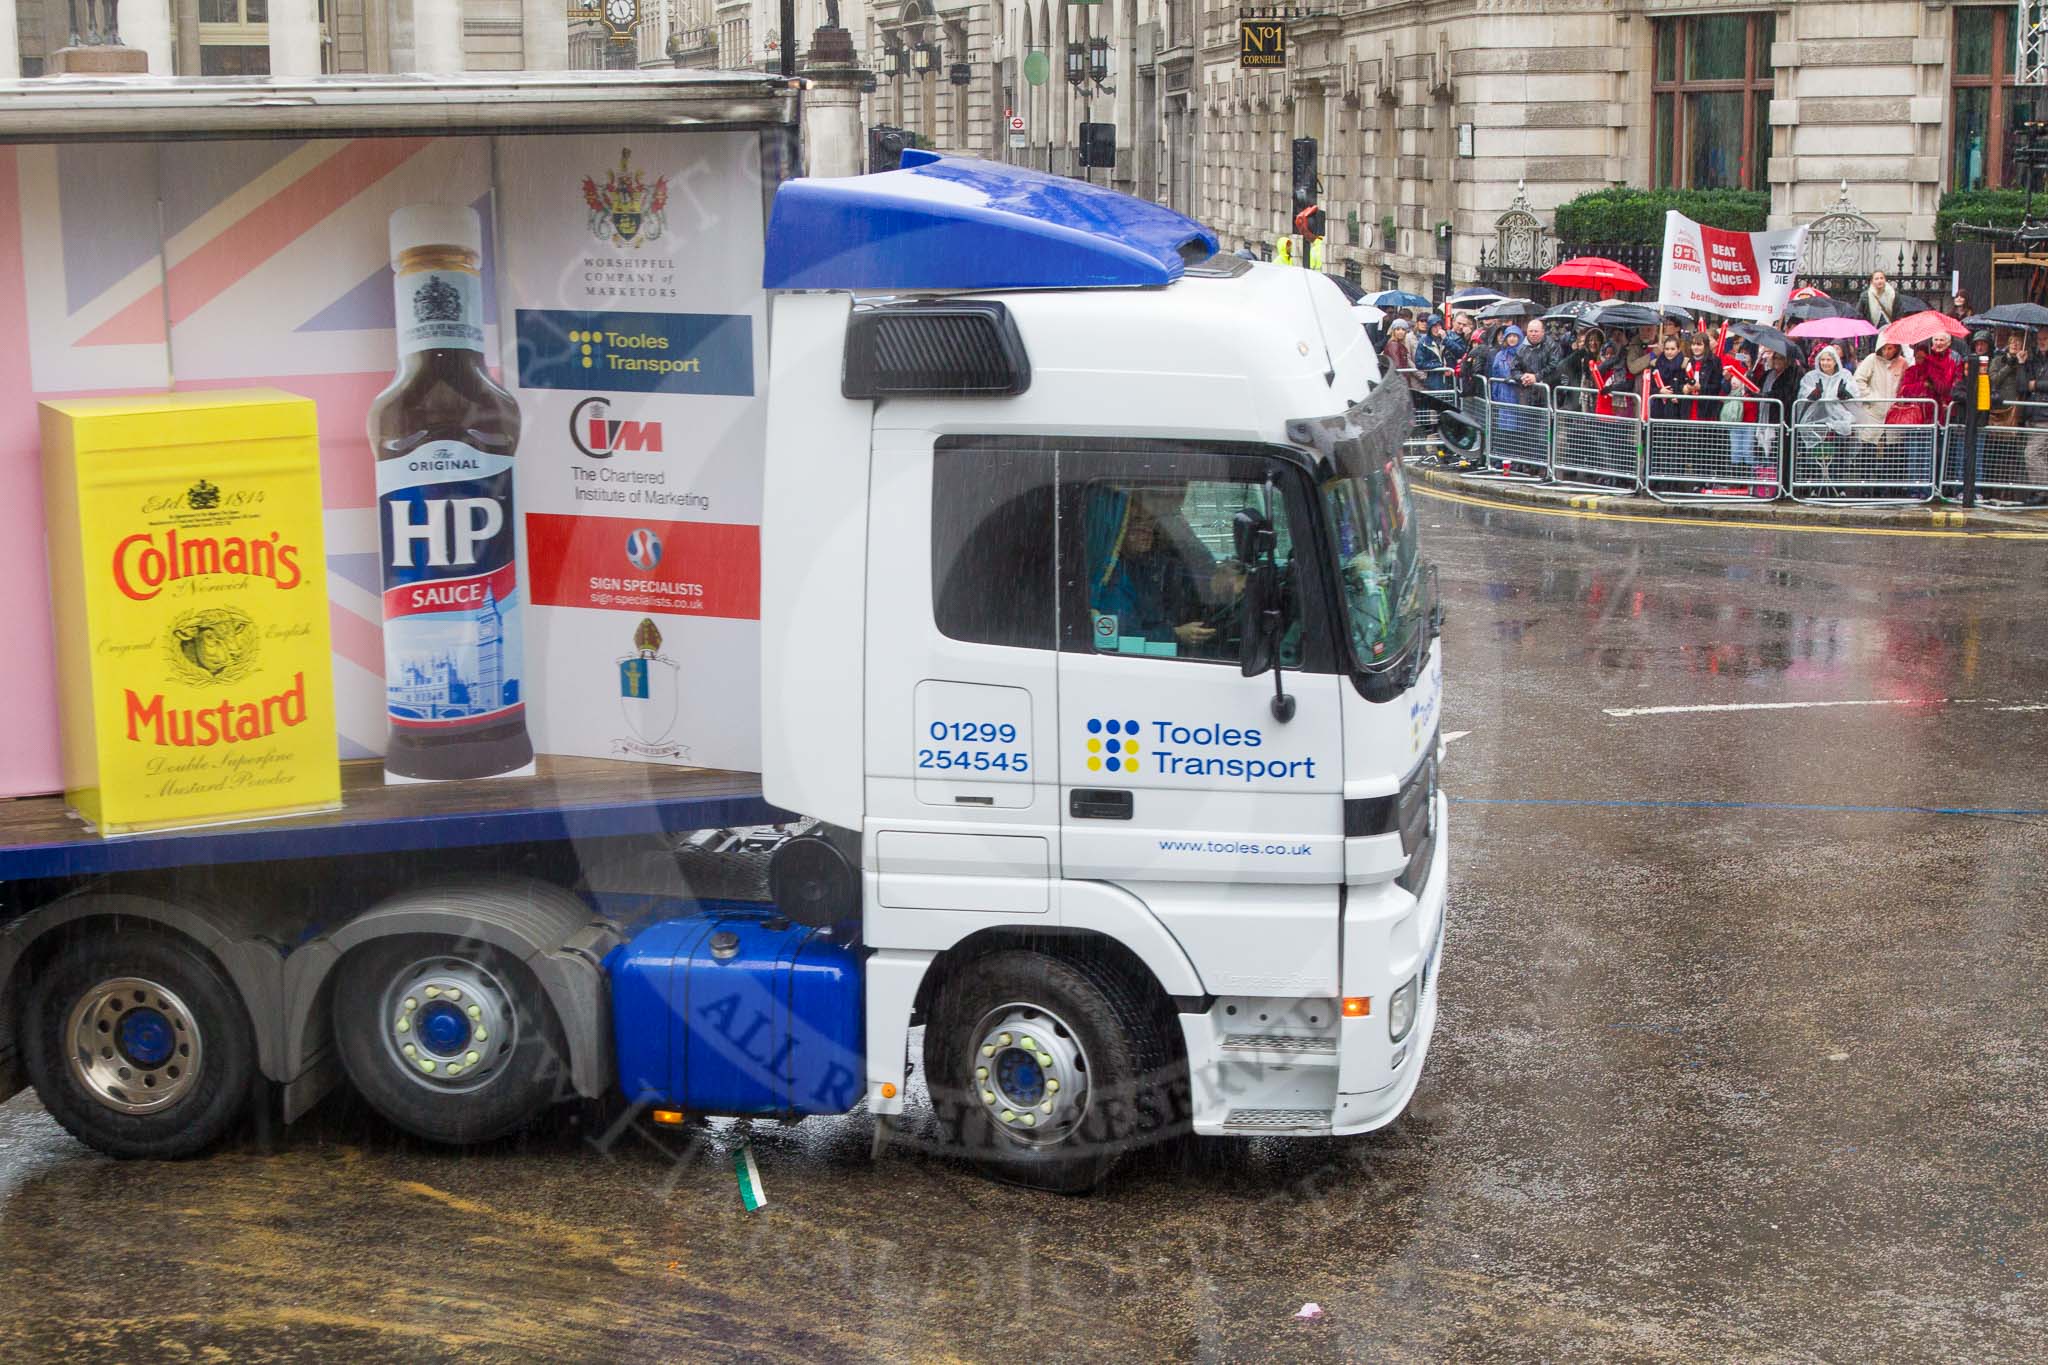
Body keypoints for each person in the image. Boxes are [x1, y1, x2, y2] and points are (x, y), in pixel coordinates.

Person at [1086, 488, 1230, 655]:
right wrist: (1175, 634)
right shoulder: (1110, 576)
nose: (1147, 529)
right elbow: (1122, 638)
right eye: (1137, 521)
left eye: (1150, 521)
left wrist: (1218, 582)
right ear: (1119, 527)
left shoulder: (1146, 564)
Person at [1681, 330, 1725, 422]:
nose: (1695, 347)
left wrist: (1701, 387)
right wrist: (1684, 388)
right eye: (1693, 344)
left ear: (1706, 346)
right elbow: (1682, 381)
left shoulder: (1714, 361)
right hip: (1689, 406)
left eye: (1699, 344)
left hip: (1706, 408)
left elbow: (1717, 386)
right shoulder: (1690, 361)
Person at [1855, 340, 1907, 410]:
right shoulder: (1871, 359)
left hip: (1894, 412)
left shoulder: (1903, 363)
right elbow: (1858, 379)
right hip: (1872, 413)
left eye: (1890, 348)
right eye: (1883, 348)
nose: (1886, 352)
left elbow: (1905, 384)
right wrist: (1870, 397)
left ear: (1896, 348)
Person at [1649, 334, 1688, 420]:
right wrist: (1660, 391)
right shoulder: (1656, 364)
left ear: (1678, 350)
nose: (1669, 352)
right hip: (1659, 407)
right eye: (1667, 349)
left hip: (1677, 408)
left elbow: (1687, 386)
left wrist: (1679, 395)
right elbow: (1650, 386)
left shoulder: (1685, 365)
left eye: (1672, 349)